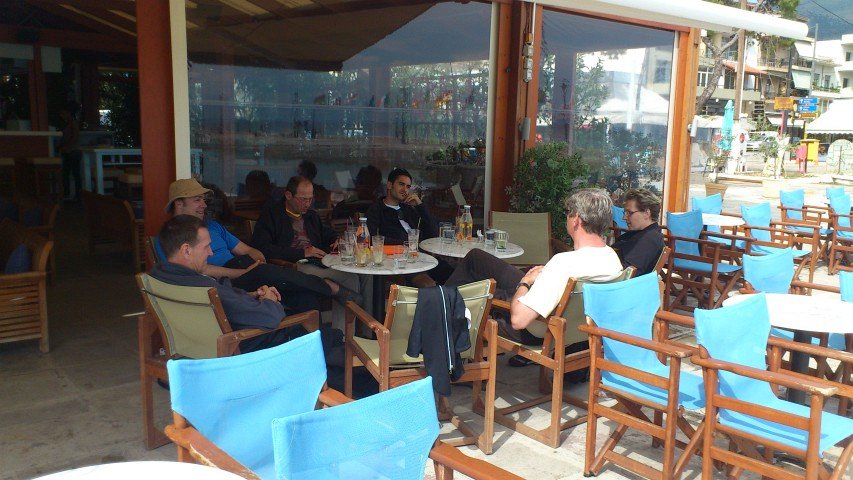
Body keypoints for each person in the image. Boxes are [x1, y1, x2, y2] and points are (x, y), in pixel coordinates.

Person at [444, 188, 624, 347]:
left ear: (576, 220)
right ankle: (445, 302)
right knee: (477, 258)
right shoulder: (612, 258)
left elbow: (518, 320)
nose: (567, 217)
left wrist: (525, 282)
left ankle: (442, 310)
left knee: (483, 290)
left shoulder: (563, 263)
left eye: (568, 212)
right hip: (571, 324)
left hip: (537, 329)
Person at [164, 179, 358, 315]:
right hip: (227, 282)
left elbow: (247, 250)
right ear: (179, 204)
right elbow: (201, 270)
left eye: (203, 200)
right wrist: (245, 272)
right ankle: (330, 288)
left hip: (245, 269)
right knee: (270, 272)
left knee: (306, 298)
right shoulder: (171, 237)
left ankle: (320, 348)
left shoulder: (213, 226)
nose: (204, 205)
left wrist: (258, 261)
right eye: (197, 200)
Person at [150, 215, 309, 353]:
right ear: (186, 250)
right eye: (206, 246)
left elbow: (227, 302)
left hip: (196, 350)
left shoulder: (158, 278)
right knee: (309, 327)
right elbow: (271, 318)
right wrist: (269, 301)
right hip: (241, 351)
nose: (211, 252)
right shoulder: (206, 289)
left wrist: (251, 295)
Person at [251, 175, 371, 327]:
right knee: (348, 278)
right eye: (303, 199)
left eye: (310, 199)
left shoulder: (310, 216)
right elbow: (263, 248)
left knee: (352, 277)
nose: (307, 204)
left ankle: (344, 332)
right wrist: (302, 253)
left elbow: (325, 233)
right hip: (292, 267)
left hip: (317, 262)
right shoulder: (271, 216)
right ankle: (342, 331)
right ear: (288, 195)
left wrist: (337, 239)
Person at [365, 167, 438, 244]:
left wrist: (420, 206)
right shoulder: (376, 210)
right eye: (401, 184)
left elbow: (434, 234)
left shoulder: (407, 209)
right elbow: (371, 239)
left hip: (420, 249)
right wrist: (406, 244)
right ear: (389, 185)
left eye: (408, 187)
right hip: (398, 250)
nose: (405, 190)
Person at [611, 188, 665, 276]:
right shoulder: (640, 234)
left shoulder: (649, 239)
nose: (624, 217)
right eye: (625, 213)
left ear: (647, 213)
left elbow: (627, 273)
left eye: (629, 213)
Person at [58, 103, 82, 202]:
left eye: (63, 114)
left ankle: (77, 195)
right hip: (69, 151)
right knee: (67, 174)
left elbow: (75, 137)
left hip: (73, 151)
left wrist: (65, 146)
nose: (61, 116)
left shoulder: (73, 124)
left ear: (68, 113)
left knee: (74, 174)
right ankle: (70, 194)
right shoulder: (69, 124)